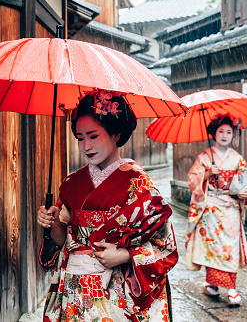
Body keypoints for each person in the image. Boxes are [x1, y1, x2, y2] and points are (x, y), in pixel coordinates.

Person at [37, 89, 178, 322]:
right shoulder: (72, 183)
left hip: (117, 288)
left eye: (93, 136)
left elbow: (166, 246)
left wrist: (124, 255)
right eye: (80, 138)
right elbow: (63, 242)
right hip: (76, 287)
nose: (86, 146)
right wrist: (52, 223)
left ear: (115, 133)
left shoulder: (139, 184)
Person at [185, 114, 247, 306]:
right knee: (212, 248)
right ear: (214, 134)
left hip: (231, 207)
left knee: (230, 247)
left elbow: (245, 183)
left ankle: (231, 288)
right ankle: (213, 284)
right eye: (221, 131)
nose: (225, 135)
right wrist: (206, 174)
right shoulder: (205, 157)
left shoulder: (238, 159)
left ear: (234, 135)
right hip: (211, 208)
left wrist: (245, 193)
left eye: (229, 132)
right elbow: (192, 180)